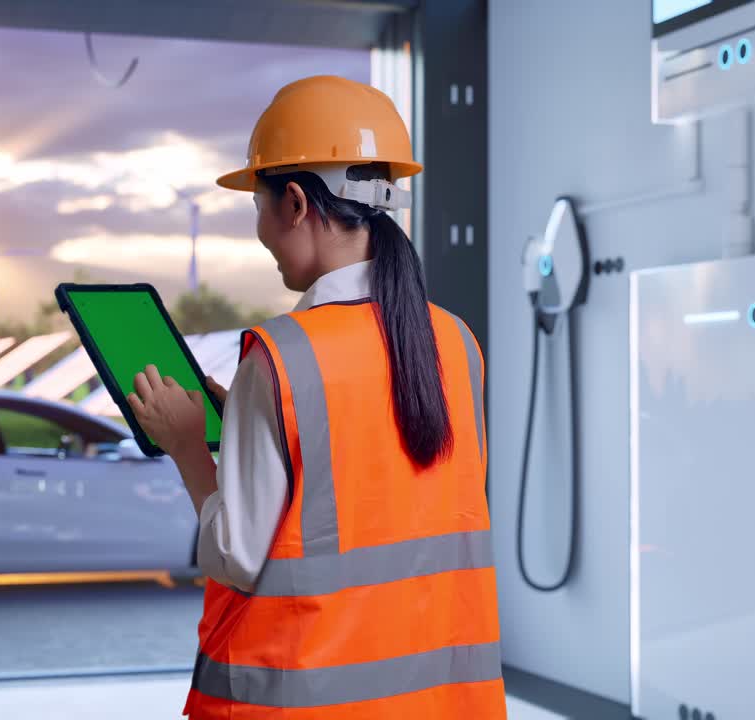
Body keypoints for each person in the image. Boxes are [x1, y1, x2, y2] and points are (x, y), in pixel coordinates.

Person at [129, 75, 506, 719]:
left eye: (260, 204)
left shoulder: (279, 357)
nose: (261, 230)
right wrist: (251, 426)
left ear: (297, 203)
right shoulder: (455, 342)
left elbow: (235, 557)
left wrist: (190, 447)